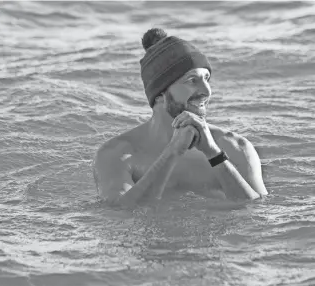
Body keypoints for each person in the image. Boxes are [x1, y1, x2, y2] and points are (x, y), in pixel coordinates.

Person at [93, 28, 268, 207]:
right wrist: (172, 152)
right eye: (192, 80)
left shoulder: (234, 148)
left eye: (206, 78)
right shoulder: (116, 154)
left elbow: (257, 213)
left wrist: (214, 154)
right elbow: (119, 214)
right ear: (160, 93)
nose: (207, 91)